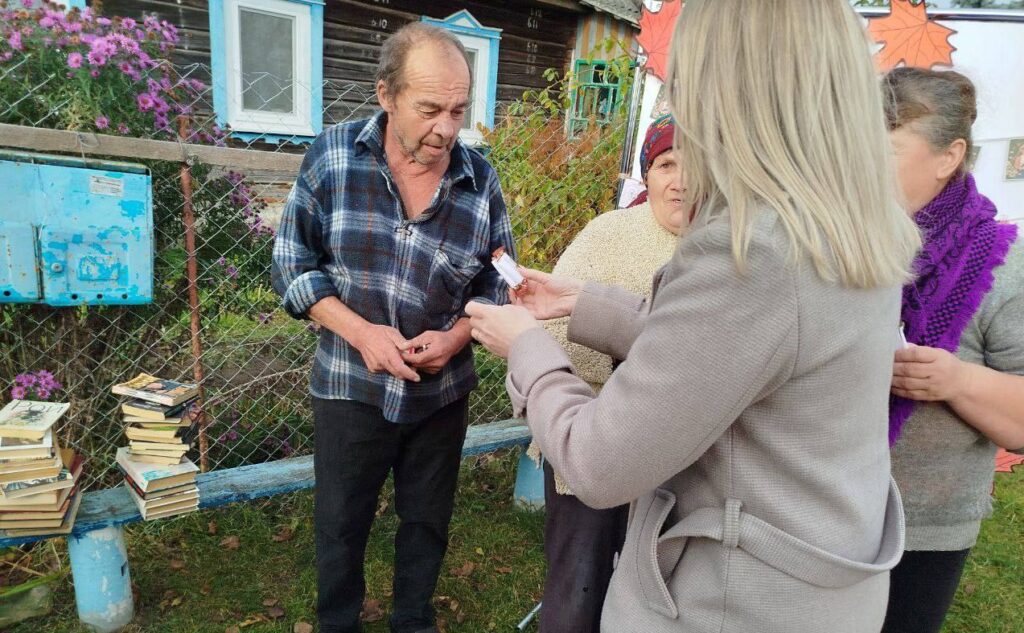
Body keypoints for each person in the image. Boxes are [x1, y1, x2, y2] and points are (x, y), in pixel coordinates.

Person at [465, 0, 922, 631]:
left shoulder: (754, 252)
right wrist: (581, 304)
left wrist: (526, 347)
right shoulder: (846, 225)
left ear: (725, 89)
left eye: (685, 80)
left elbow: (600, 462)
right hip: (813, 586)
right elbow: (732, 355)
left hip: (728, 602)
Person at [270, 22, 516, 633]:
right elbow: (291, 263)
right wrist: (362, 333)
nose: (447, 129)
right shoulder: (333, 156)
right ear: (386, 94)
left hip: (441, 393)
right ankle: (338, 623)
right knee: (340, 523)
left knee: (427, 522)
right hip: (349, 383)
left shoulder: (480, 180)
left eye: (458, 111)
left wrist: (456, 338)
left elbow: (498, 281)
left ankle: (413, 621)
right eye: (429, 109)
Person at [530, 114, 687, 633]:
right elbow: (553, 331)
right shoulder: (608, 235)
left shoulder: (726, 248)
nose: (681, 181)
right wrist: (625, 370)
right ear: (648, 172)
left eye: (698, 165)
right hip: (595, 434)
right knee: (580, 580)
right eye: (667, 165)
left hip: (683, 457)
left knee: (661, 588)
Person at [881, 67, 1024, 633]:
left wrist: (956, 381)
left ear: (949, 156)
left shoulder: (1003, 265)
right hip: (814, 511)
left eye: (889, 150)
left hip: (923, 532)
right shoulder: (837, 246)